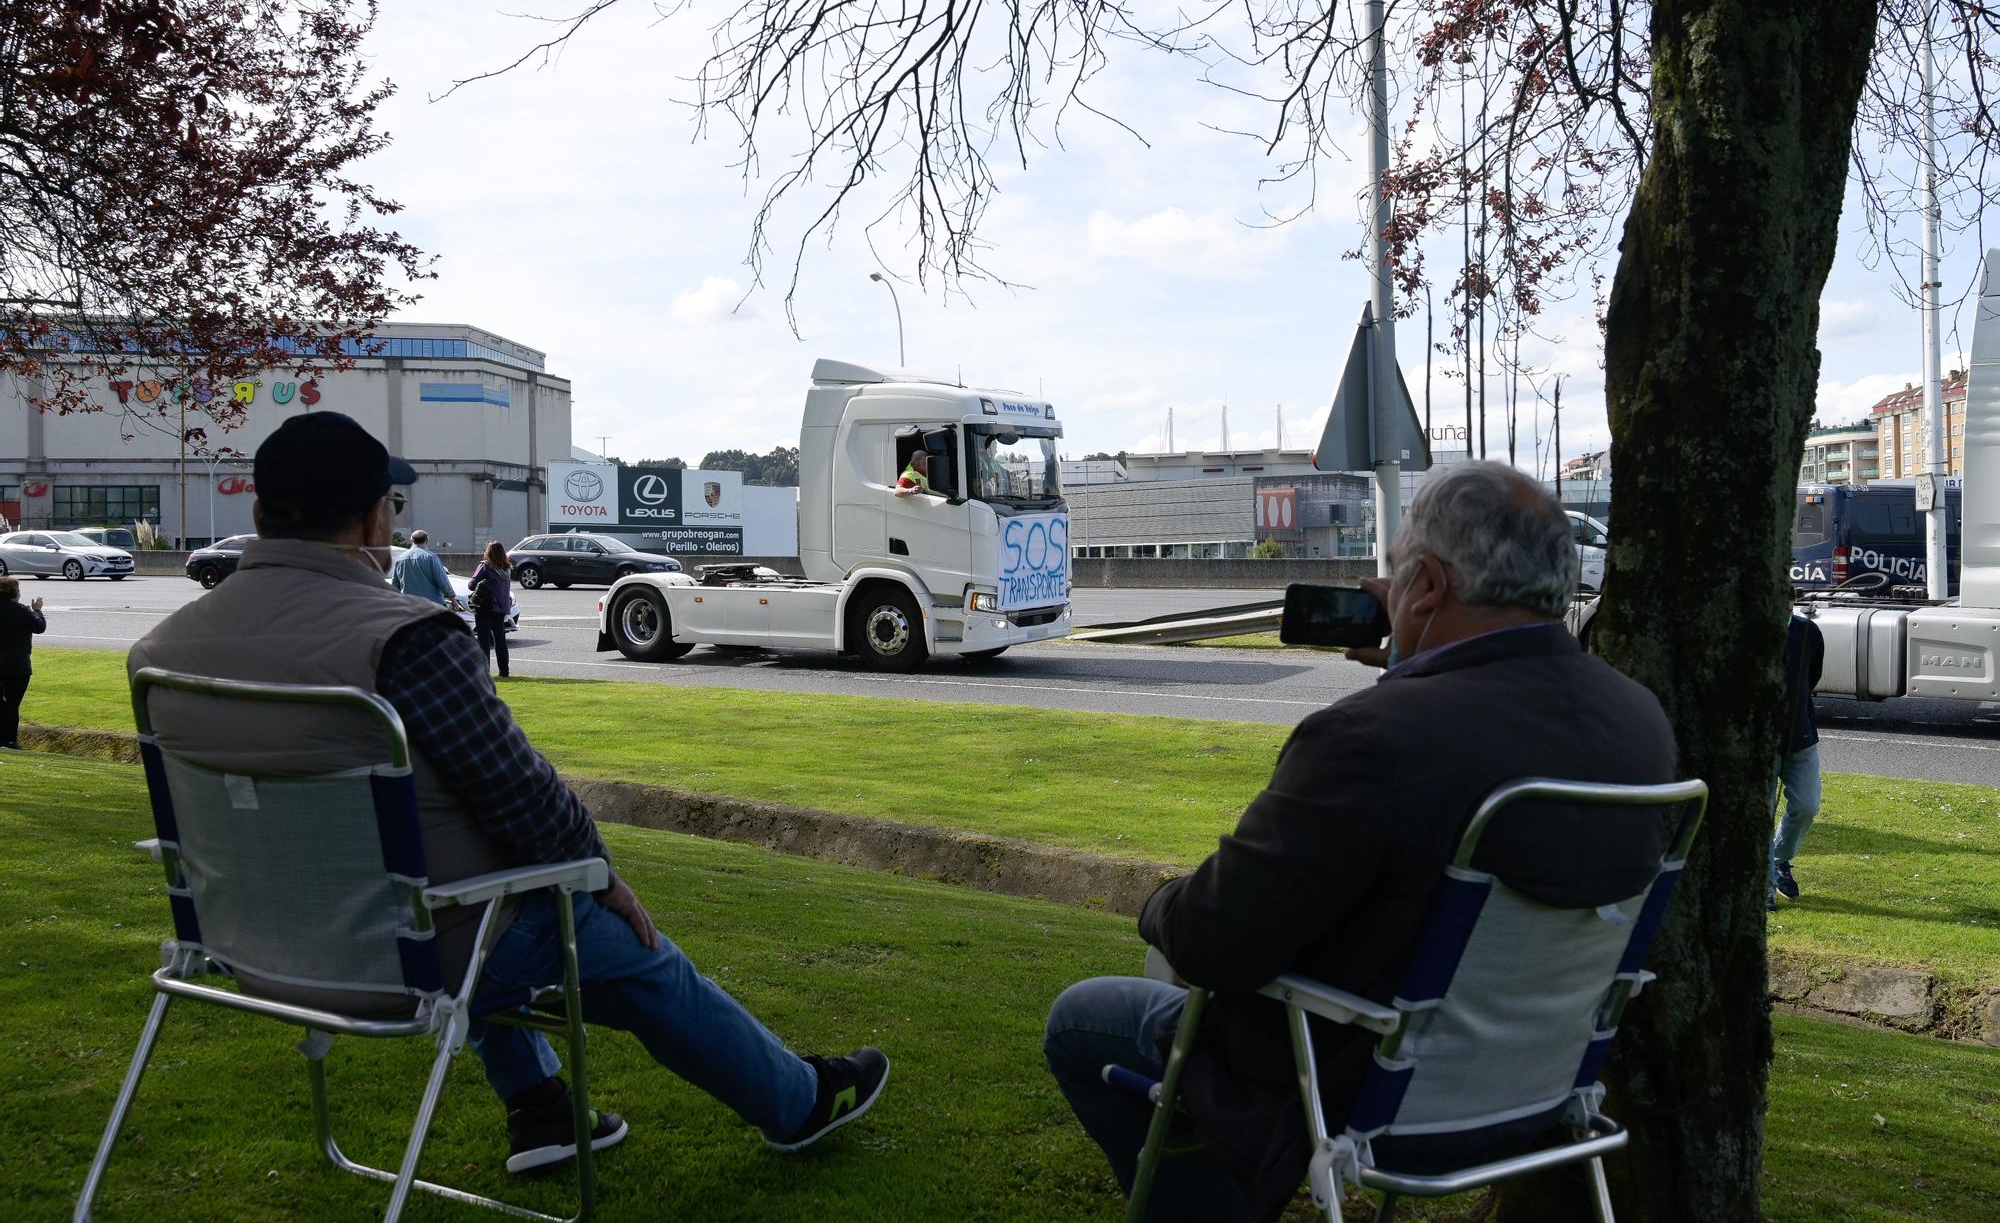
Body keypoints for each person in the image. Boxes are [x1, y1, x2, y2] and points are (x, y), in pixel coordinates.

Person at [128, 413, 889, 1176]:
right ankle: (797, 1102)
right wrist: (600, 873)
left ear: (259, 514)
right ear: (373, 519)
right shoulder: (407, 638)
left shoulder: (159, 652)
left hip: (247, 942)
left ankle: (540, 1106)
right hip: (412, 953)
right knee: (616, 944)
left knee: (471, 875)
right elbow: (521, 794)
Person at [1043, 461, 1678, 1223]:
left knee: (1086, 1019)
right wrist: (1417, 663)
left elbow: (1214, 941)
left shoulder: (1374, 739)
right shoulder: (1641, 722)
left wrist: (1159, 903)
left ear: (1431, 585)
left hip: (1353, 1085)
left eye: (1401, 574)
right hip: (1537, 1091)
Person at [1771, 613, 1825, 910]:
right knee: (1760, 811)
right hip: (1760, 742)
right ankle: (1763, 883)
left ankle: (1780, 860)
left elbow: (1812, 675)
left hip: (1800, 737)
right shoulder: (1749, 627)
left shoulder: (1807, 631)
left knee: (1806, 806)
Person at [0, 576, 46, 749]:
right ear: (15, 593)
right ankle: (10, 740)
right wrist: (37, 610)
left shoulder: (19, 610)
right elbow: (39, 626)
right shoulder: (21, 611)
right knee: (12, 704)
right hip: (17, 666)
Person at [470, 540, 514, 679]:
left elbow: (471, 585)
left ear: (488, 552)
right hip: (501, 608)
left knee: (484, 640)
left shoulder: (486, 566)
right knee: (500, 639)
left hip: (486, 607)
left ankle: (484, 672)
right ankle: (504, 671)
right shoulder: (507, 568)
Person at [391, 528, 458, 608]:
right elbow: (442, 580)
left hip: (409, 606)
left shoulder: (400, 559)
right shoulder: (431, 557)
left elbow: (395, 584)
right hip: (432, 605)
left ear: (411, 540)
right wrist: (453, 600)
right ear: (427, 541)